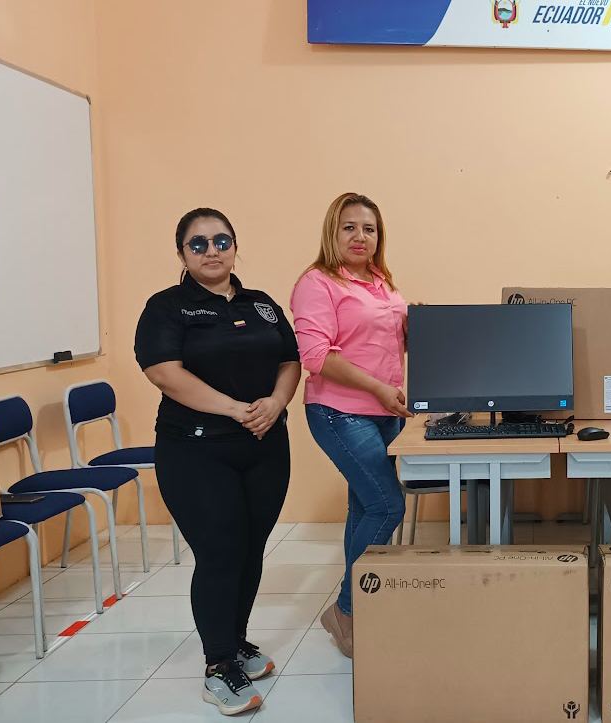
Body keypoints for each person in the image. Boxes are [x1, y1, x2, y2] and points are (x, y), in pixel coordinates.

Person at [135, 208, 301, 715]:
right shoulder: (166, 307)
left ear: (234, 246)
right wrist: (235, 409)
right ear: (182, 253)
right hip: (196, 450)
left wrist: (277, 402)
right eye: (199, 243)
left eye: (221, 241)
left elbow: (290, 360)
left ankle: (235, 641)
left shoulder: (261, 304)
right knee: (221, 553)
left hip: (265, 445)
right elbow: (164, 373)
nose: (212, 251)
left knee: (251, 550)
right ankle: (218, 666)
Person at [290, 192, 413, 659]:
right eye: (349, 227)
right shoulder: (317, 282)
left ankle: (359, 611)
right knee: (387, 506)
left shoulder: (381, 282)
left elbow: (381, 342)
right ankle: (345, 609)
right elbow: (316, 356)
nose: (360, 237)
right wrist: (379, 389)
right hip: (340, 411)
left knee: (364, 508)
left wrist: (415, 327)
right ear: (332, 231)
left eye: (369, 229)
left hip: (384, 412)